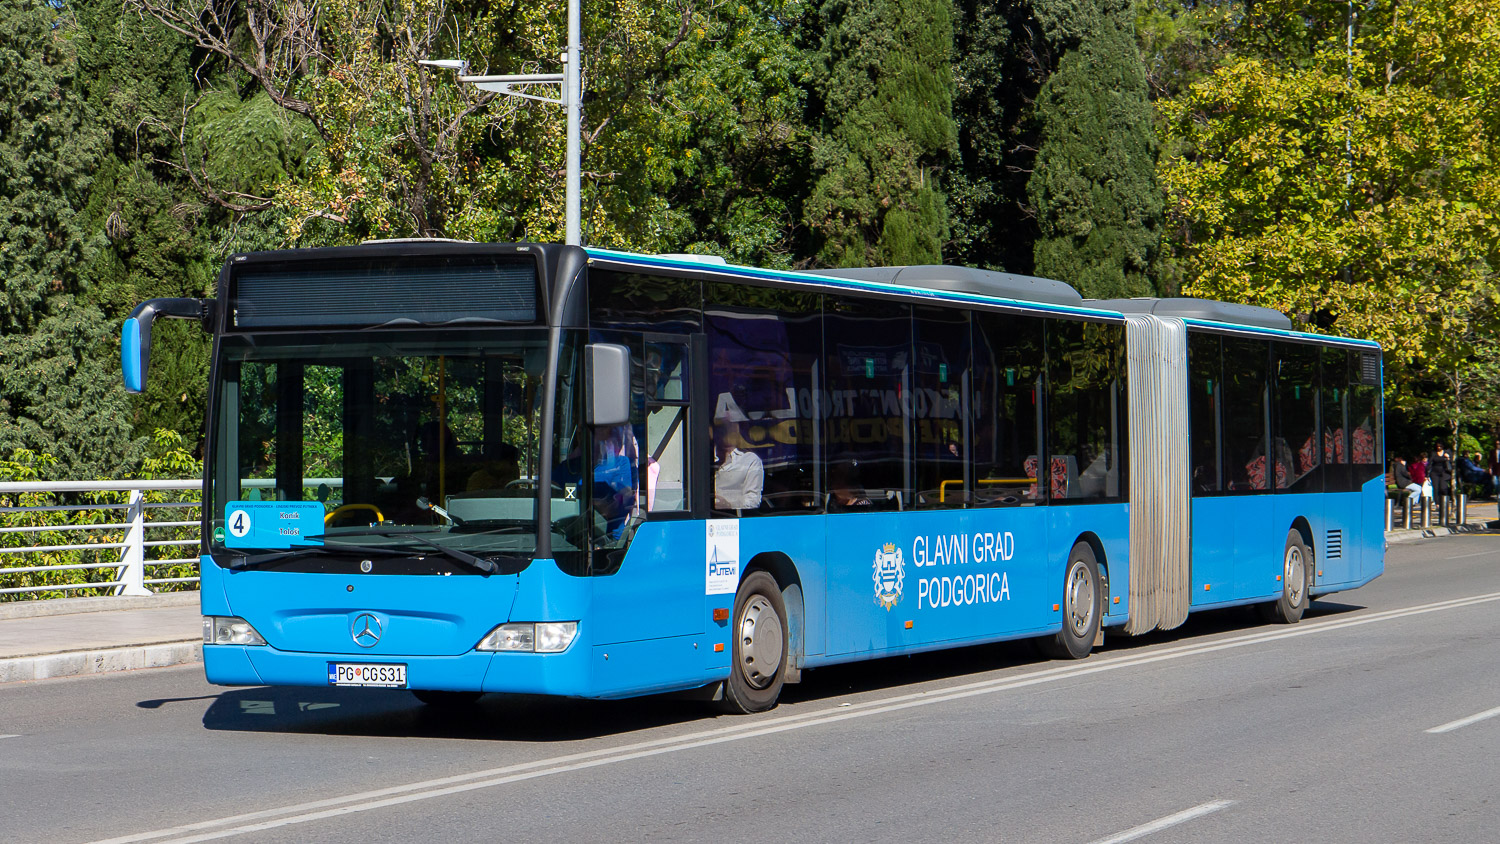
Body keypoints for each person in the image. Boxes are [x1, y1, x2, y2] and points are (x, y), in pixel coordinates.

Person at [712, 418, 763, 511]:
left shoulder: (750, 460)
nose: (728, 432)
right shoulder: (705, 458)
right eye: (723, 429)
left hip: (733, 517)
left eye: (732, 428)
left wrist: (729, 505)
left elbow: (753, 499)